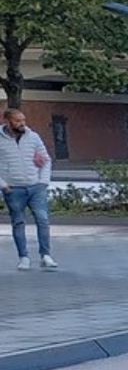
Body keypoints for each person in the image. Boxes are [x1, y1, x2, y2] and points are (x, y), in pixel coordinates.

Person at [1, 108, 56, 270]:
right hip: (13, 189)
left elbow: (45, 159)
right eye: (17, 121)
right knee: (18, 222)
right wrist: (3, 185)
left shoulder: (33, 137)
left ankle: (45, 255)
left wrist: (43, 181)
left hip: (35, 187)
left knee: (43, 219)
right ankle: (24, 257)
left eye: (23, 120)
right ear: (6, 121)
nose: (22, 124)